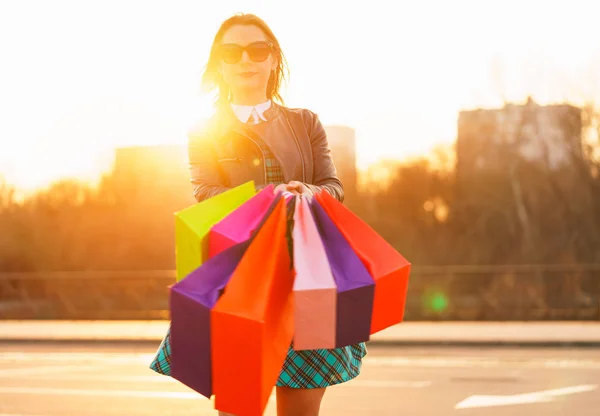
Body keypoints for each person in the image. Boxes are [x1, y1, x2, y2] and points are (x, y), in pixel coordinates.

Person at [188, 12, 366, 416]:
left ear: (273, 59)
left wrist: (310, 192)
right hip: (241, 280)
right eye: (232, 52)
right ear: (219, 63)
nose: (245, 60)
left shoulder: (305, 123)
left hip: (308, 279)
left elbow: (333, 187)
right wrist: (268, 197)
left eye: (258, 49)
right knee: (239, 409)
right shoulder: (204, 130)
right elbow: (205, 193)